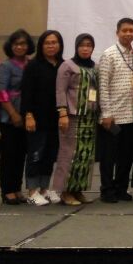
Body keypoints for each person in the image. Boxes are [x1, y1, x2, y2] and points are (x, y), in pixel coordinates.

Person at [52, 34, 100, 206]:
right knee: (69, 154)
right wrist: (62, 113)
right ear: (76, 47)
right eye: (82, 45)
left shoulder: (95, 67)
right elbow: (60, 90)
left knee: (85, 155)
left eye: (89, 45)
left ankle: (78, 189)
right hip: (72, 116)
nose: (85, 48)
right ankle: (65, 191)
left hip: (89, 118)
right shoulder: (67, 66)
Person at [96, 18, 133, 203]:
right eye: (124, 30)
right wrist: (106, 113)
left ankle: (121, 188)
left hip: (132, 116)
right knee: (108, 156)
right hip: (113, 116)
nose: (128, 34)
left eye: (131, 30)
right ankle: (107, 190)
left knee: (126, 156)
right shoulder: (109, 54)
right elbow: (103, 86)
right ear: (117, 33)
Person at [21, 29, 64, 206]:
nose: (51, 46)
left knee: (49, 155)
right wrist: (28, 115)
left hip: (56, 119)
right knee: (35, 154)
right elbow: (26, 93)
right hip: (37, 119)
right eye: (47, 43)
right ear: (41, 46)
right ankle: (32, 191)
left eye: (54, 42)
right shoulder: (33, 65)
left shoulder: (63, 65)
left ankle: (44, 189)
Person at [0, 29, 34, 205]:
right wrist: (13, 113)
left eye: (23, 44)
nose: (20, 47)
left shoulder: (31, 63)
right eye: (16, 44)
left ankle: (17, 188)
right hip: (10, 115)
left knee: (21, 154)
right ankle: (7, 190)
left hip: (27, 114)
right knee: (9, 154)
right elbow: (1, 92)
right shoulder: (6, 66)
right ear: (10, 46)